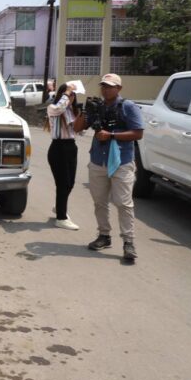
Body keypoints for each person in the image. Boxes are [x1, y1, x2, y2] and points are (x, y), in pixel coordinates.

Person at [74, 73, 144, 261]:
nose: (105, 90)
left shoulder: (128, 106)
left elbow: (138, 133)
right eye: (103, 86)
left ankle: (128, 242)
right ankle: (104, 235)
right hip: (98, 160)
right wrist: (84, 111)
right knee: (99, 202)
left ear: (119, 88)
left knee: (124, 203)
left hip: (122, 161)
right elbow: (77, 128)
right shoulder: (97, 107)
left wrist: (111, 135)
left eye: (110, 86)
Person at [45, 82, 80, 231]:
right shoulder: (53, 108)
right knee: (63, 184)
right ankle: (61, 218)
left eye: (73, 95)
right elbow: (59, 108)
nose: (71, 97)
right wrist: (67, 92)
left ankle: (59, 206)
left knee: (70, 183)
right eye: (69, 94)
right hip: (58, 148)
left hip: (71, 147)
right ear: (62, 94)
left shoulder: (72, 111)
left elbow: (80, 131)